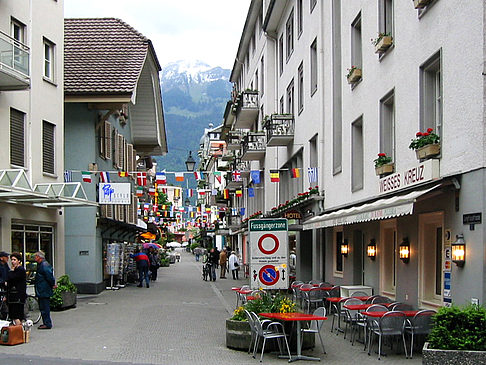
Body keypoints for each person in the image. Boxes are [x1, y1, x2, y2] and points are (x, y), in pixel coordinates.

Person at [34, 251, 55, 329]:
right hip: (43, 289)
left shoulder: (44, 265)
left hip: (44, 289)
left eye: (35, 256)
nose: (34, 258)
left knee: (44, 307)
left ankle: (47, 323)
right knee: (43, 307)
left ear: (39, 257)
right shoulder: (42, 265)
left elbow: (49, 276)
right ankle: (46, 322)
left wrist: (52, 284)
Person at [7, 252, 27, 326]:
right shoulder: (17, 269)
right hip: (17, 296)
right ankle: (21, 332)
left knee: (16, 315)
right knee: (18, 316)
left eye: (14, 260)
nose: (12, 261)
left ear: (19, 261)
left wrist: (11, 271)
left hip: (17, 296)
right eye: (12, 260)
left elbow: (12, 278)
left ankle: (19, 333)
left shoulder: (20, 270)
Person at [0, 252, 9, 319]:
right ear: (1, 258)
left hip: (6, 286)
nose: (7, 258)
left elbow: (9, 273)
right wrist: (3, 282)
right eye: (6, 257)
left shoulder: (5, 265)